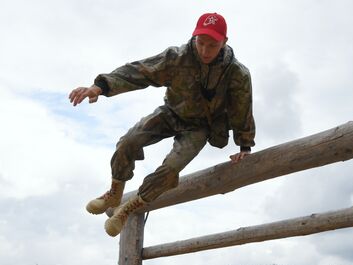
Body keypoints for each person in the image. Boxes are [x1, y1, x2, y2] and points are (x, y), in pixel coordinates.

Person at [69, 12, 255, 237]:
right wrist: (100, 86)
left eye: (212, 45)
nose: (205, 51)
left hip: (200, 126)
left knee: (170, 169)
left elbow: (242, 109)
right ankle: (114, 192)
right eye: (201, 43)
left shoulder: (237, 74)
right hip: (171, 113)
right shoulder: (176, 58)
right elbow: (139, 71)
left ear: (224, 42)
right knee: (129, 141)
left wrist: (244, 146)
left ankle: (128, 208)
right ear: (194, 38)